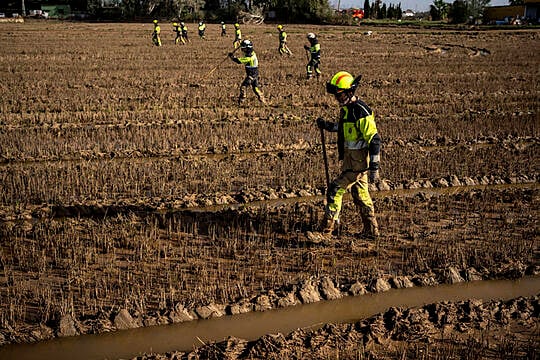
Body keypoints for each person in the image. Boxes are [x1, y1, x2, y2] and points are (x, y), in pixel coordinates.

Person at [316, 71, 381, 239]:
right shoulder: (347, 110)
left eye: (340, 95)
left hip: (358, 165)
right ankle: (371, 230)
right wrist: (327, 126)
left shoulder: (361, 111)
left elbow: (374, 140)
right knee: (360, 195)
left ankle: (326, 232)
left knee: (335, 189)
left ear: (350, 92)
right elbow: (343, 128)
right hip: (352, 162)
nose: (337, 98)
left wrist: (374, 168)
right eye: (336, 95)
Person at [228, 39, 266, 105]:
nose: (242, 50)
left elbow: (239, 61)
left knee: (243, 87)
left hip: (251, 74)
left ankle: (242, 101)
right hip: (255, 73)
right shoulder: (252, 53)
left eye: (244, 48)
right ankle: (263, 100)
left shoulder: (249, 57)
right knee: (255, 88)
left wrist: (232, 57)